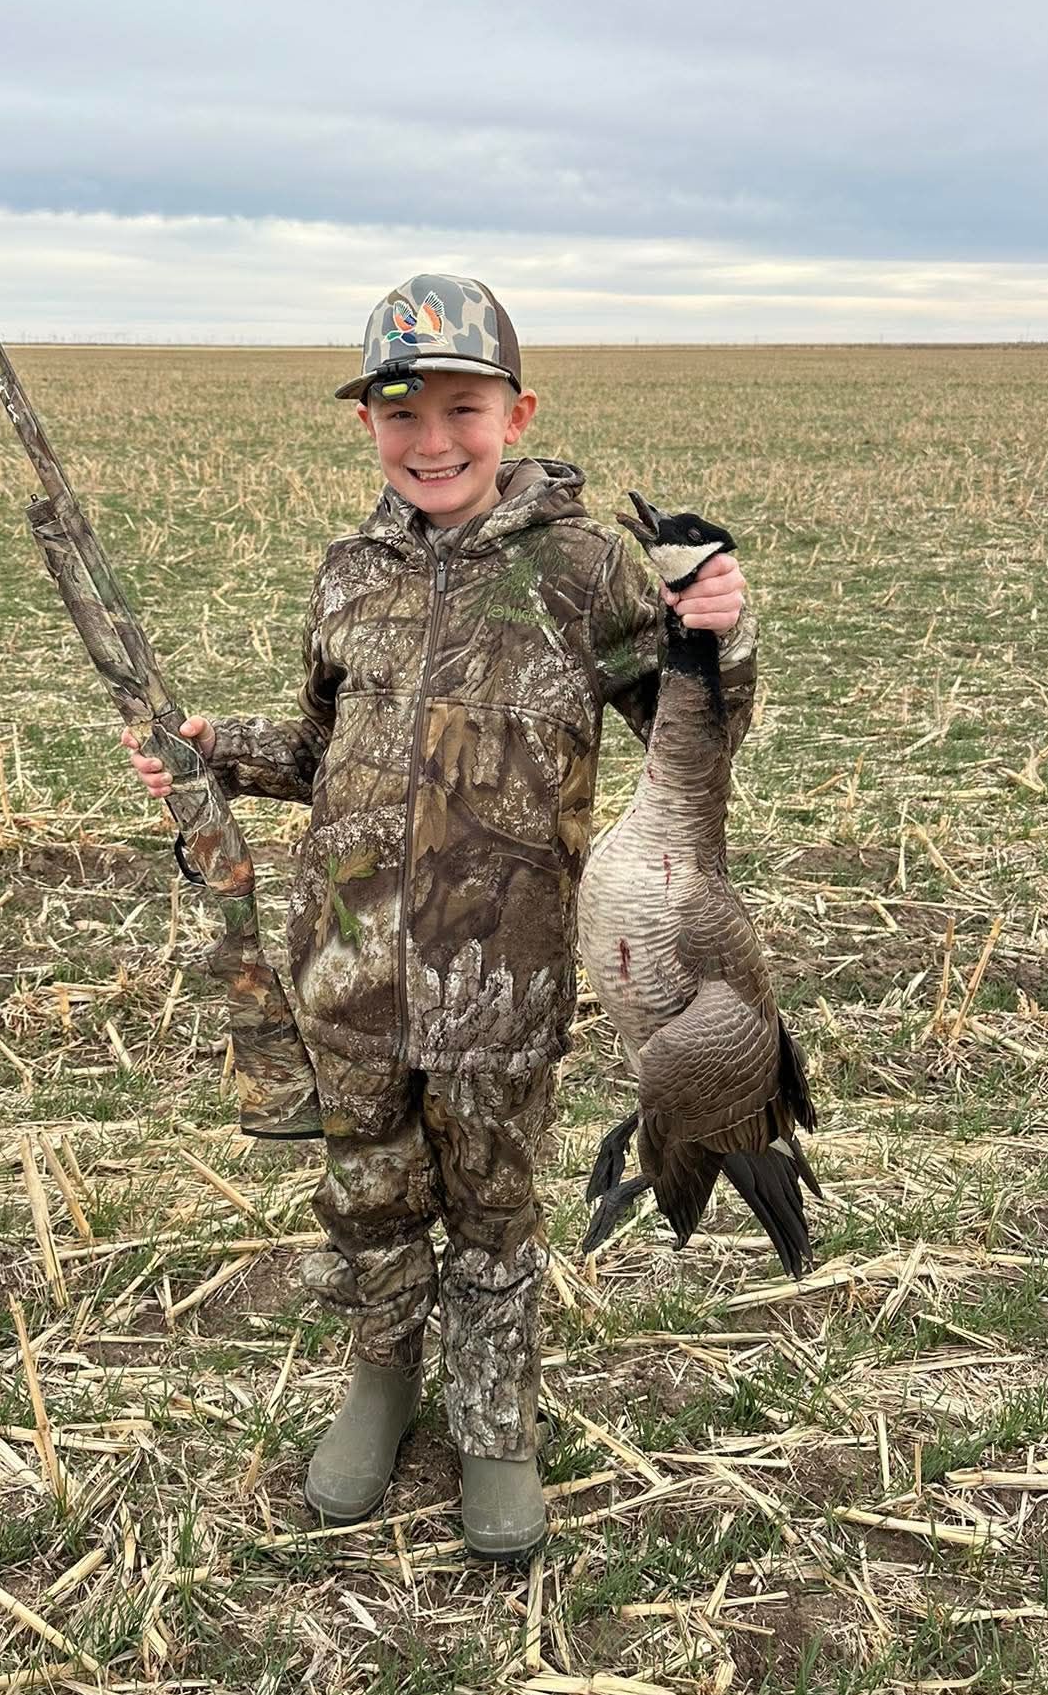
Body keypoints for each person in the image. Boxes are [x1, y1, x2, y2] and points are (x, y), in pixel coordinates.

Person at [125, 275, 752, 1559]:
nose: (432, 440)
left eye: (462, 408)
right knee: (368, 1195)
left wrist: (720, 637)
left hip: (505, 981)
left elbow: (693, 733)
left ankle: (496, 1421)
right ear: (367, 426)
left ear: (515, 414)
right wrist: (212, 750)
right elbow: (321, 741)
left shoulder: (583, 573)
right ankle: (383, 1380)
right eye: (400, 412)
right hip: (345, 974)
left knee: (494, 1205)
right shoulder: (348, 572)